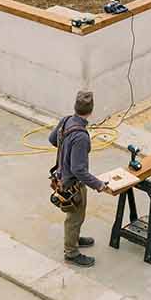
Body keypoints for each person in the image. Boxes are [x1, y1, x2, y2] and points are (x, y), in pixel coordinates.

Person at [49, 89, 108, 267]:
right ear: (91, 110)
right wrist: (99, 185)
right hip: (72, 184)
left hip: (61, 178)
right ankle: (71, 252)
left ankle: (74, 238)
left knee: (76, 216)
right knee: (74, 217)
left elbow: (52, 139)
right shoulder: (81, 137)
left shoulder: (66, 120)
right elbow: (79, 169)